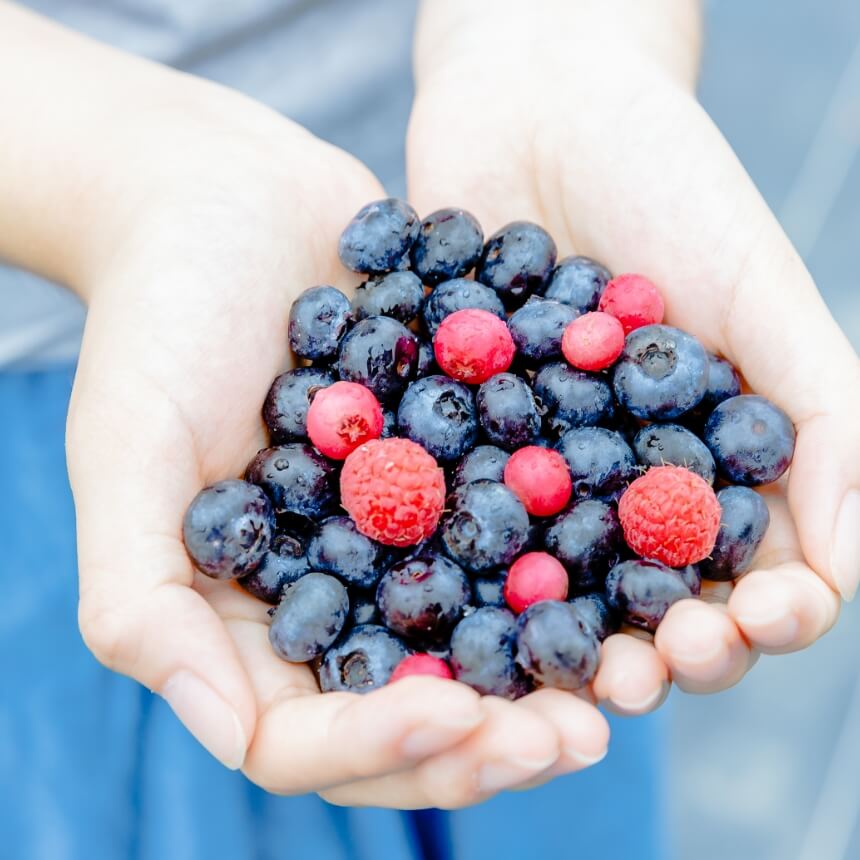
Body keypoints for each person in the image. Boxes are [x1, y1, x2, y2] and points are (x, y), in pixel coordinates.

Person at [1, 0, 857, 857]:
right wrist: (125, 184)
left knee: (549, 725)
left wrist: (570, 46)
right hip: (85, 325)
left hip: (453, 123)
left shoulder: (549, 465)